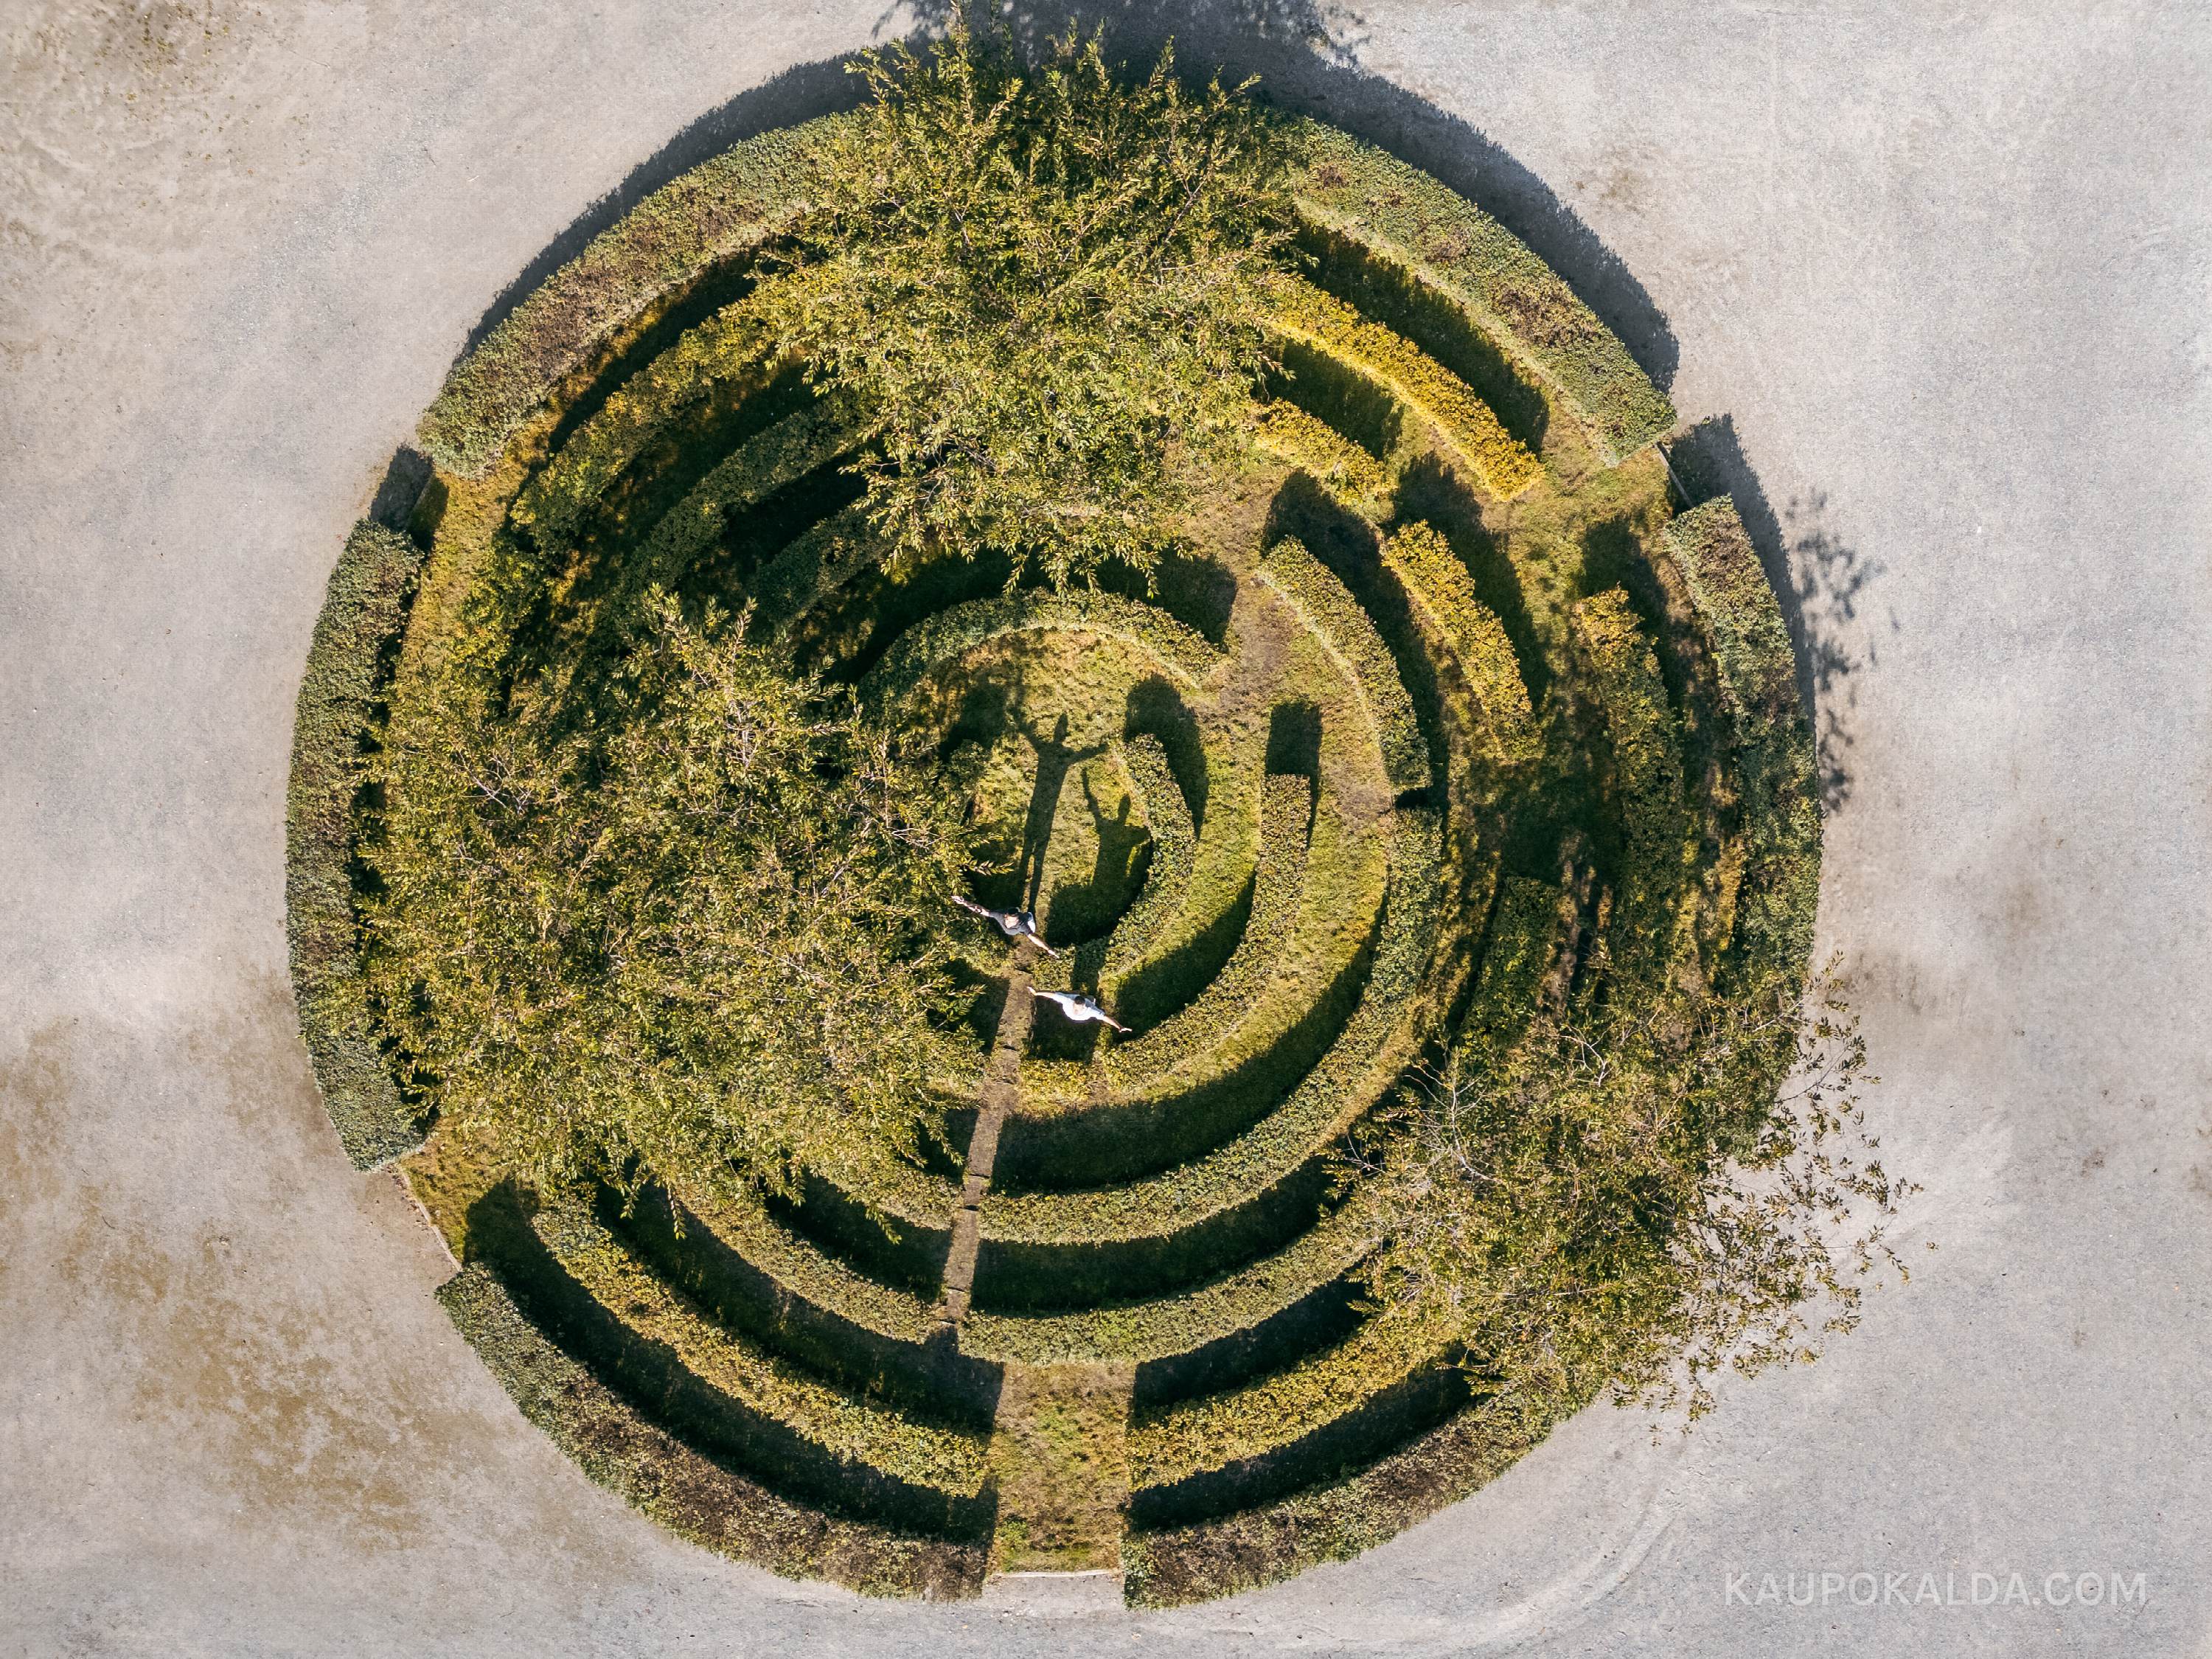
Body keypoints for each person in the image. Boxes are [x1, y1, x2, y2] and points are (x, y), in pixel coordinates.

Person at [952, 893, 1059, 957]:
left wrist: (1048, 949)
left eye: (1016, 920)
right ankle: (1016, 909)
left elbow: (1033, 937)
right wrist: (964, 902)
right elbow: (981, 910)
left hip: (1025, 921)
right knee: (1013, 918)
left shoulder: (1021, 923)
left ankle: (1029, 916)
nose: (1015, 922)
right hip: (1011, 924)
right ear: (1006, 917)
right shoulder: (999, 915)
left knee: (1031, 930)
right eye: (1013, 920)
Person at [1031, 989, 1130, 1034]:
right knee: (1083, 996)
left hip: (1078, 1017)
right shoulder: (1069, 1001)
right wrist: (1036, 993)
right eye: (1076, 1007)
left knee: (1090, 999)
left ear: (1084, 1005)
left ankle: (1085, 995)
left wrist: (1119, 1026)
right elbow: (1052, 995)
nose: (1076, 1009)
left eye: (1078, 1008)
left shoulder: (1090, 1009)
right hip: (1072, 1013)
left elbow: (1106, 1018)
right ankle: (1080, 993)